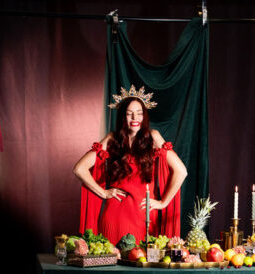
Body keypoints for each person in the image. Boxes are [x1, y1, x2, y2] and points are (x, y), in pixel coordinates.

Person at [73, 85, 187, 245]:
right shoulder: (112, 139)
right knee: (112, 259)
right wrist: (103, 193)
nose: (135, 118)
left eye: (139, 113)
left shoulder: (153, 137)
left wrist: (163, 203)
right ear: (122, 117)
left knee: (143, 258)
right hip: (114, 215)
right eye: (129, 113)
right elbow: (79, 169)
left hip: (144, 216)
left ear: (144, 116)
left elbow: (181, 171)